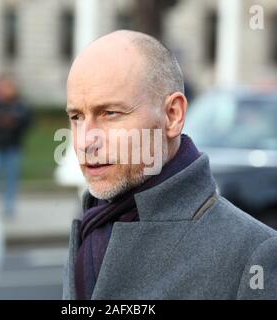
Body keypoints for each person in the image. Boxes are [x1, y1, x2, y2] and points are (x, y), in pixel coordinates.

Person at [62, 30, 277, 300]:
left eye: (110, 113)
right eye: (76, 116)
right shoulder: (91, 222)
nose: (84, 141)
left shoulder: (255, 254)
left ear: (172, 115)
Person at [0, 77, 32, 217]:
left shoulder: (20, 106)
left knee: (11, 178)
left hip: (13, 147)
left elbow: (28, 121)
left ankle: (9, 207)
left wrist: (15, 122)